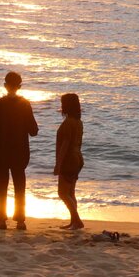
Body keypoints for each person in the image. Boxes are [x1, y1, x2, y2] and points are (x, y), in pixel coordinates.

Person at [0, 72, 38, 230]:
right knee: (19, 186)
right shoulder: (25, 104)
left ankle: (2, 220)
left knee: (1, 186)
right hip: (20, 152)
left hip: (1, 151)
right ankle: (20, 221)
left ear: (5, 85)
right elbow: (34, 130)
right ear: (20, 86)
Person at [54, 93, 84, 229]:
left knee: (63, 193)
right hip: (77, 158)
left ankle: (77, 220)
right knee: (71, 192)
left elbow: (65, 145)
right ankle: (74, 221)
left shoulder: (68, 123)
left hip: (69, 160)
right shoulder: (78, 122)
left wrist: (58, 164)